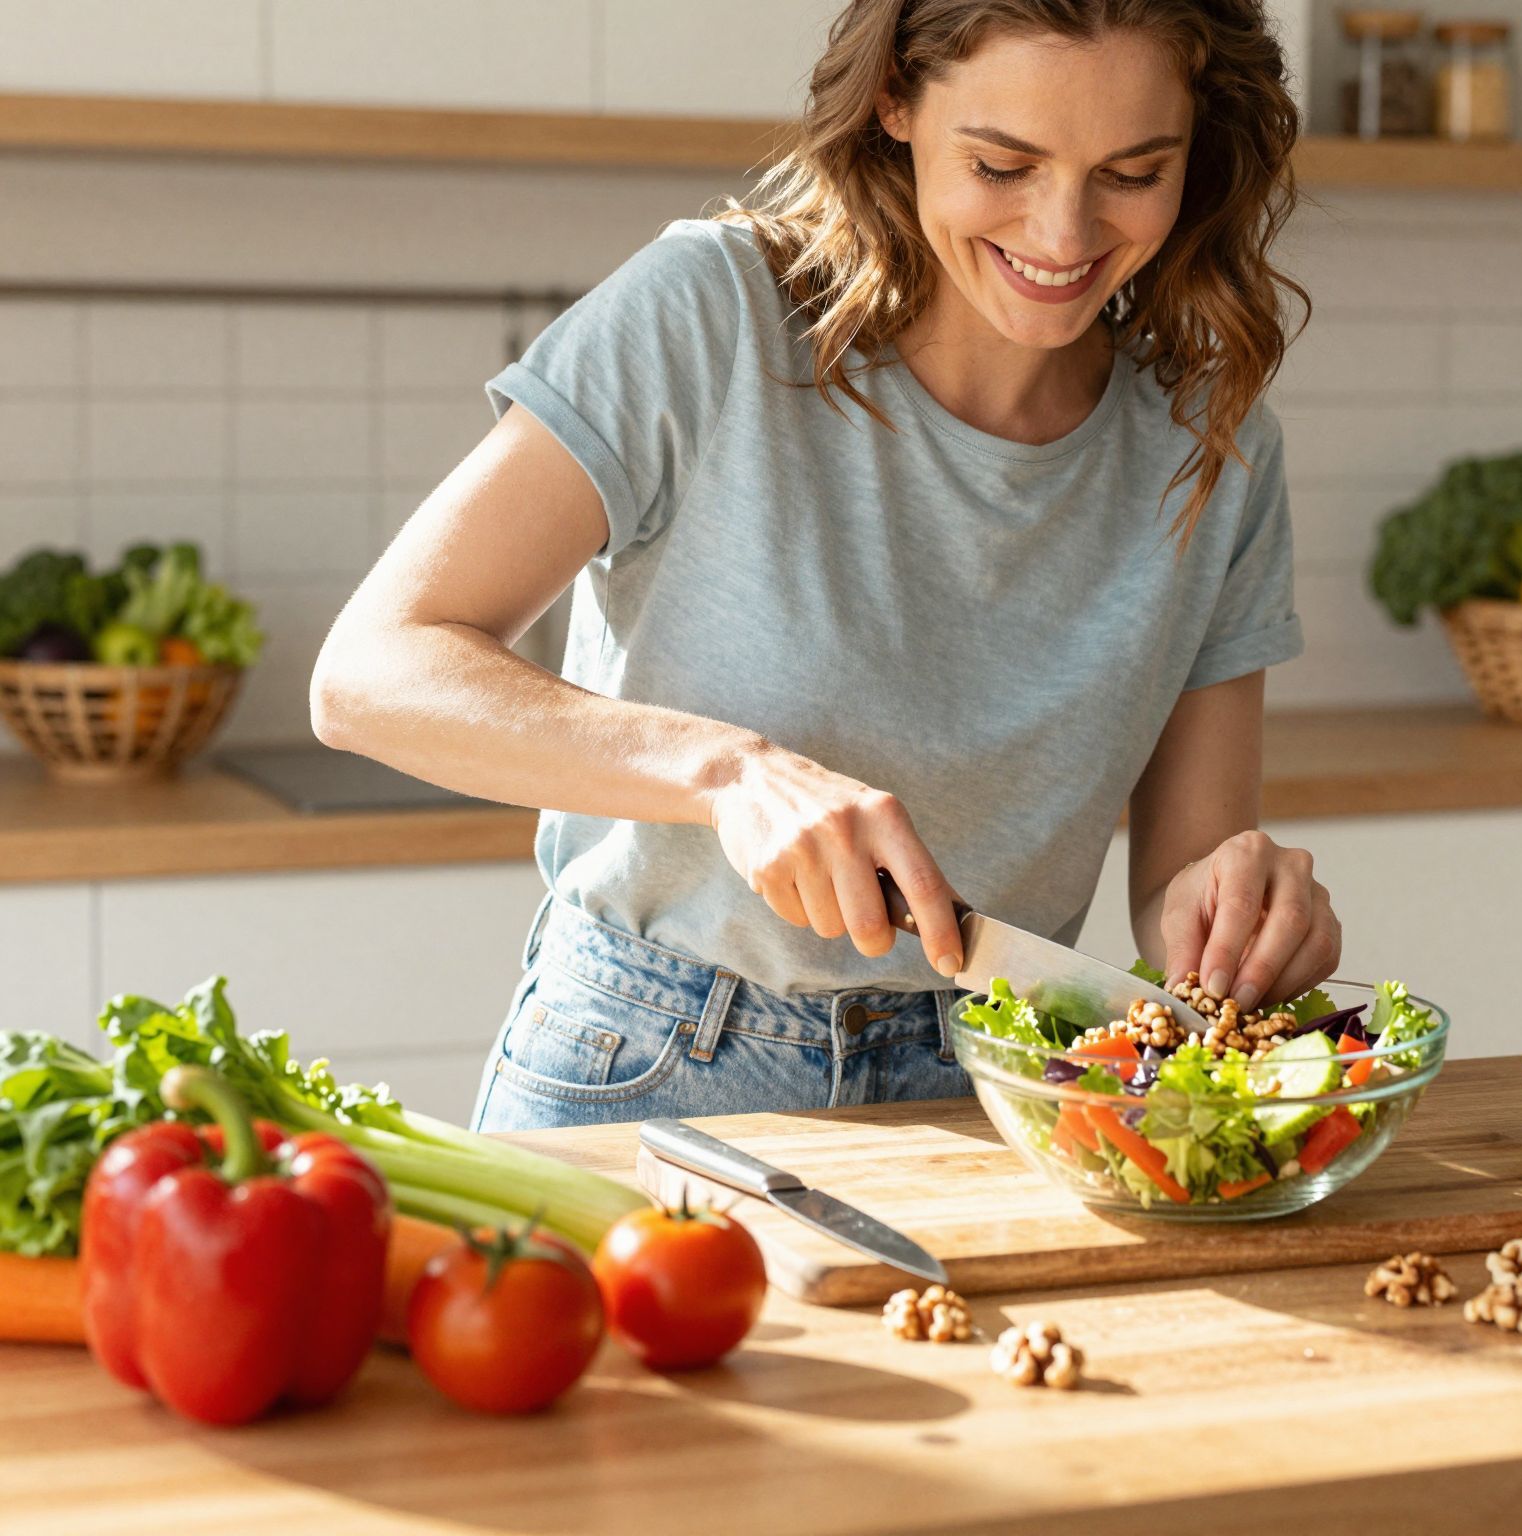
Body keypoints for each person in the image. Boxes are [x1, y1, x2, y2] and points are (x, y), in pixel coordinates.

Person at [311, 0, 1341, 1133]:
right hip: (652, 1062)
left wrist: (1233, 911)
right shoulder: (713, 313)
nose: (1062, 232)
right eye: (1001, 166)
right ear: (895, 99)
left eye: (1133, 173)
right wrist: (725, 774)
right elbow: (372, 671)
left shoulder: (1211, 444)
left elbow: (1183, 876)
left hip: (997, 1082)